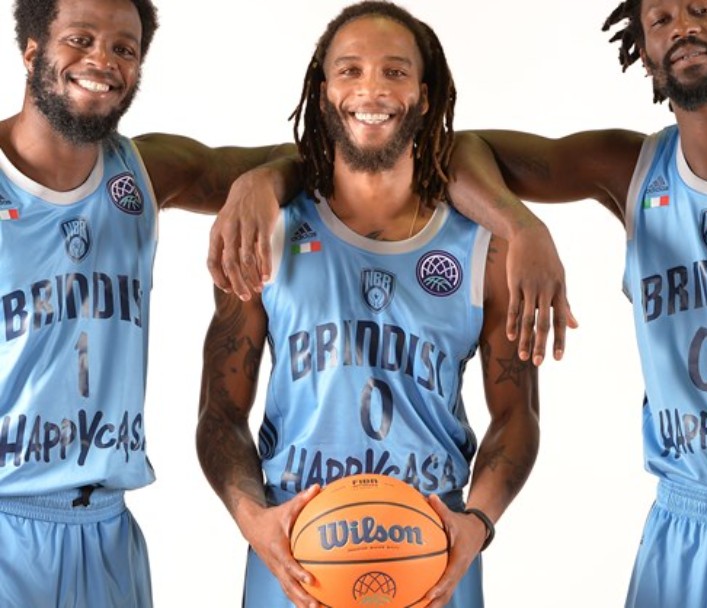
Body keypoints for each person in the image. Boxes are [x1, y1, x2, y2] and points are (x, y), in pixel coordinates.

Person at [444, 0, 707, 606]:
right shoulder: (631, 169)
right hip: (682, 528)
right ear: (645, 53)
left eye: (702, 8)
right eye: (660, 19)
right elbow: (454, 151)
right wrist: (522, 227)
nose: (681, 27)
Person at [196, 2, 538, 607]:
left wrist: (477, 523)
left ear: (424, 97)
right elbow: (219, 412)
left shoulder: (484, 249)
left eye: (395, 72)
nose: (372, 89)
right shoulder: (263, 232)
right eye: (350, 70)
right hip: (294, 545)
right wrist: (253, 518)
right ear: (323, 92)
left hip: (433, 546)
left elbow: (518, 415)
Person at [0, 0, 302, 605]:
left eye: (124, 48)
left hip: (106, 529)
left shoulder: (144, 170)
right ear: (31, 51)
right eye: (80, 39)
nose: (103, 60)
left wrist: (263, 181)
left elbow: (318, 163)